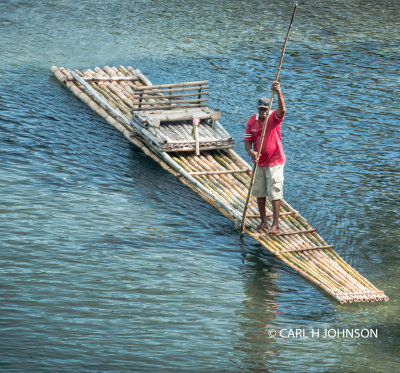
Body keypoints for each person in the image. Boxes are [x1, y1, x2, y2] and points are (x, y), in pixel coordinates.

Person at [244, 81, 286, 234]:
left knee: (275, 192)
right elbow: (247, 143)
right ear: (257, 109)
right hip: (259, 162)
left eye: (265, 109)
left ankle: (275, 224)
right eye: (261, 109)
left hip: (275, 161)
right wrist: (251, 153)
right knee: (259, 192)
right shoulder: (252, 120)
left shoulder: (273, 117)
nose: (263, 112)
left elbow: (283, 109)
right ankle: (264, 220)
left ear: (269, 109)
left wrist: (279, 92)